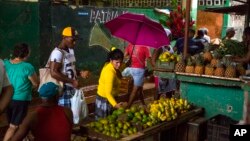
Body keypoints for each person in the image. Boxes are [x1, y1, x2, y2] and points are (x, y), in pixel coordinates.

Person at [3, 43, 39, 141]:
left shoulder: (5, 63)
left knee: (16, 124)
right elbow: (35, 83)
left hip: (7, 100)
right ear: (26, 53)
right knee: (13, 127)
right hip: (20, 101)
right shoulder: (27, 67)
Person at [49, 26, 89, 108]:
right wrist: (72, 81)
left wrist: (80, 72)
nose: (74, 43)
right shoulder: (57, 53)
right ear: (64, 38)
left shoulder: (70, 50)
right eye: (72, 40)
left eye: (75, 40)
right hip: (64, 89)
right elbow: (53, 72)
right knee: (66, 116)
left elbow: (70, 68)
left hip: (73, 88)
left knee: (74, 116)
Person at [95, 49, 127, 119]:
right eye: (117, 62)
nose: (119, 65)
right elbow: (108, 93)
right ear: (111, 60)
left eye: (120, 62)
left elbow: (121, 68)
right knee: (103, 122)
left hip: (111, 98)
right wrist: (116, 105)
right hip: (105, 99)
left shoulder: (113, 66)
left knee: (110, 120)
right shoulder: (109, 73)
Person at [123, 43, 151, 108]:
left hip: (131, 70)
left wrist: (132, 57)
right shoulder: (146, 46)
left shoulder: (130, 45)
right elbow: (149, 60)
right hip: (140, 71)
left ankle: (143, 103)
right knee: (135, 90)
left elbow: (125, 55)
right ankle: (128, 106)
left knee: (140, 89)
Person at [152, 32, 176, 100]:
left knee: (169, 90)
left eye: (171, 36)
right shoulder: (159, 47)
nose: (170, 38)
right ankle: (155, 104)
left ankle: (168, 104)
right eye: (169, 36)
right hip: (160, 73)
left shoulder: (170, 47)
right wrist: (160, 70)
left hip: (169, 72)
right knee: (158, 90)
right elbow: (153, 61)